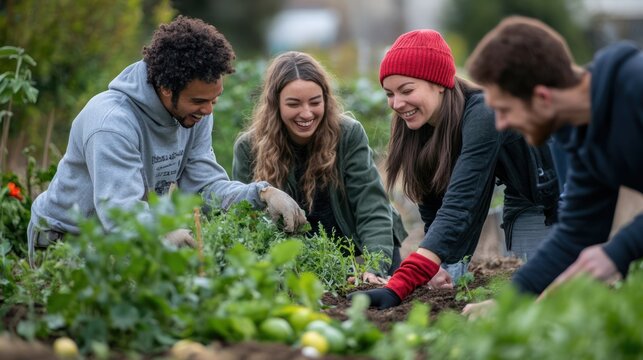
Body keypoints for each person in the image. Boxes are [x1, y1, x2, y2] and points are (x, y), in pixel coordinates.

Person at [27, 16, 306, 267]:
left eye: (214, 99)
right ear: (165, 88)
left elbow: (205, 186)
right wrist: (161, 232)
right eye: (199, 101)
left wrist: (262, 194)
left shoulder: (193, 114)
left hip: (117, 242)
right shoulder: (111, 123)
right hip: (64, 243)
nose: (208, 110)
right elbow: (119, 213)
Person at [349, 29, 561, 309]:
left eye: (407, 90)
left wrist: (401, 283)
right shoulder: (416, 124)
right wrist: (435, 265)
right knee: (526, 295)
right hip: (525, 198)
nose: (397, 104)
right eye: (389, 93)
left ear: (439, 83)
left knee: (558, 289)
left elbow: (462, 202)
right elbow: (433, 199)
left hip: (564, 188)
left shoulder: (486, 112)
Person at [463, 16, 642, 299]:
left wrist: (618, 251)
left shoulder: (635, 87)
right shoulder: (582, 136)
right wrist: (509, 303)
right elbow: (577, 234)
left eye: (505, 109)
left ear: (543, 97)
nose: (499, 124)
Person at [232, 51, 407, 280]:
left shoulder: (347, 134)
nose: (306, 113)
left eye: (315, 102)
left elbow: (371, 204)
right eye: (294, 104)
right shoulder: (249, 147)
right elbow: (246, 220)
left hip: (362, 252)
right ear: (275, 104)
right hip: (300, 262)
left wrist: (375, 268)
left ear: (325, 99)